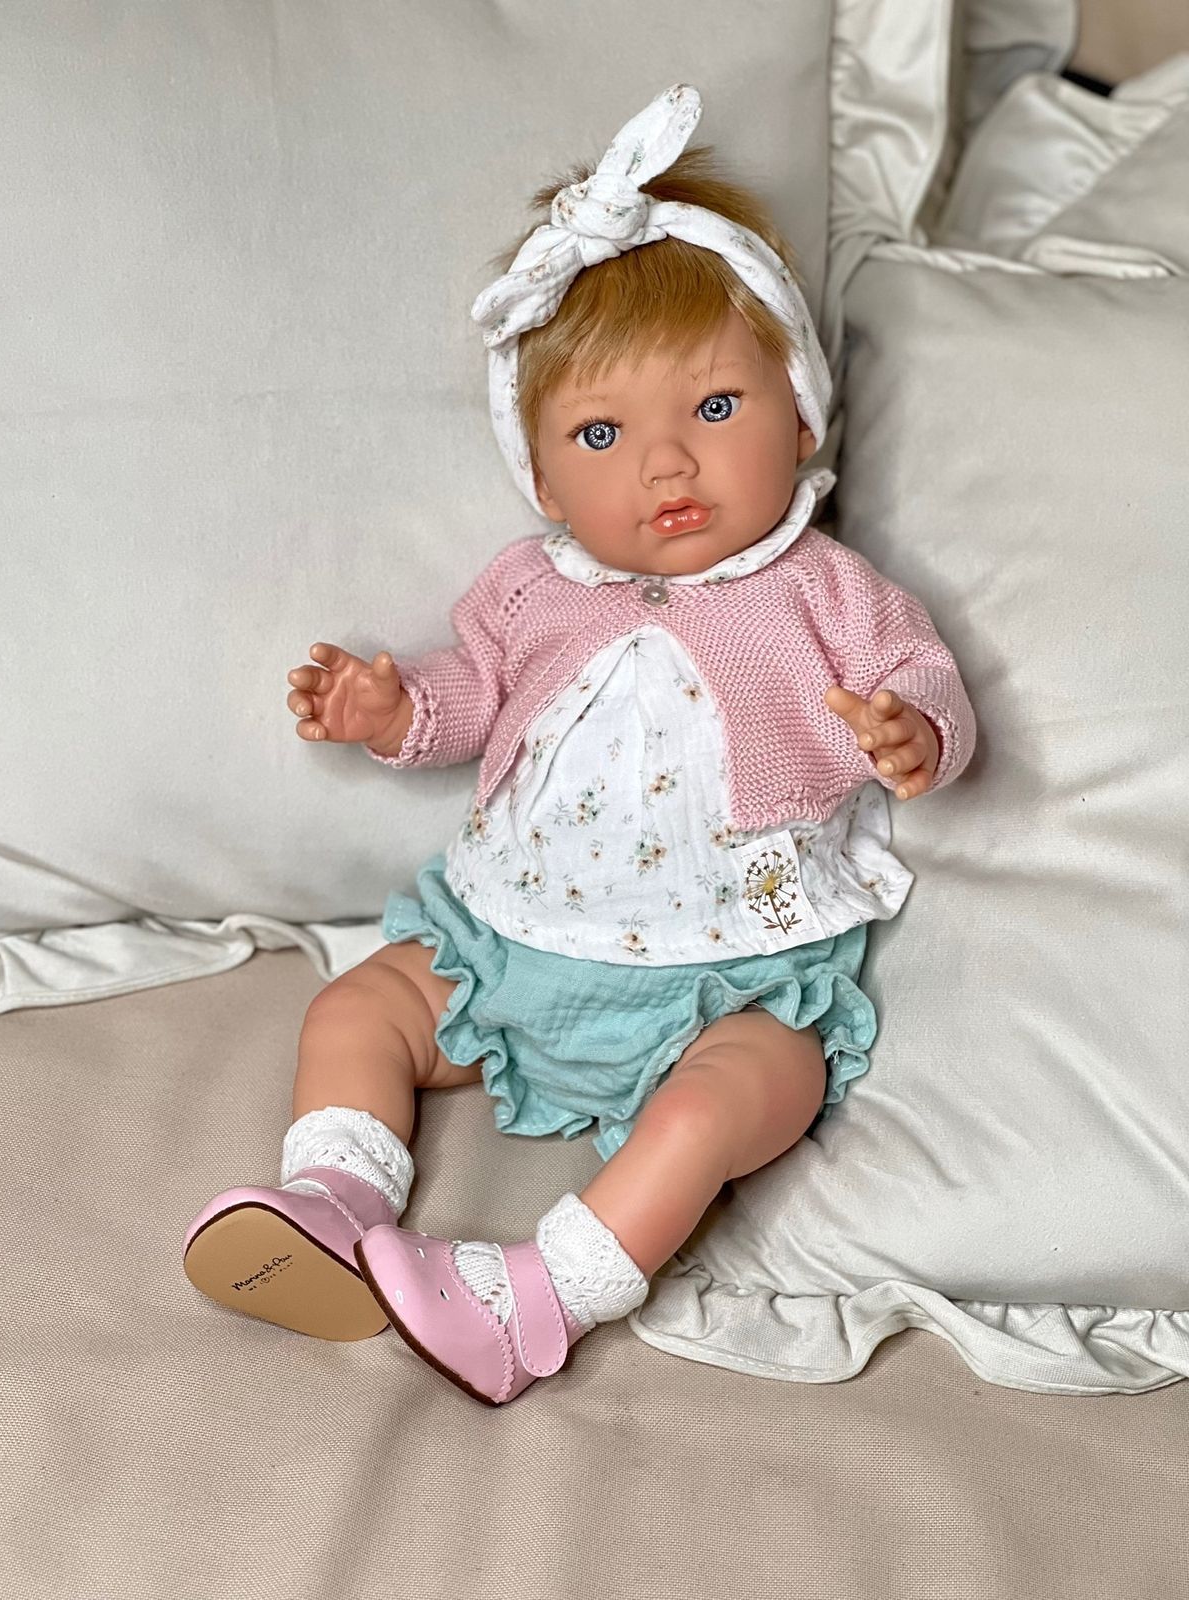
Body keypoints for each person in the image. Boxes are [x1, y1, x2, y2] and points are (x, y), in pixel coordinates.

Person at [183, 84, 976, 1406]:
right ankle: (333, 1201)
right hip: (511, 949)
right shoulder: (527, 588)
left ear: (801, 414)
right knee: (360, 1006)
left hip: (731, 980)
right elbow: (474, 698)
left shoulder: (824, 589)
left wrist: (916, 731)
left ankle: (544, 1295)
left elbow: (922, 676)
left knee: (729, 1103)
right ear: (546, 481)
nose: (667, 466)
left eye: (715, 409)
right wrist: (393, 711)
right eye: (604, 434)